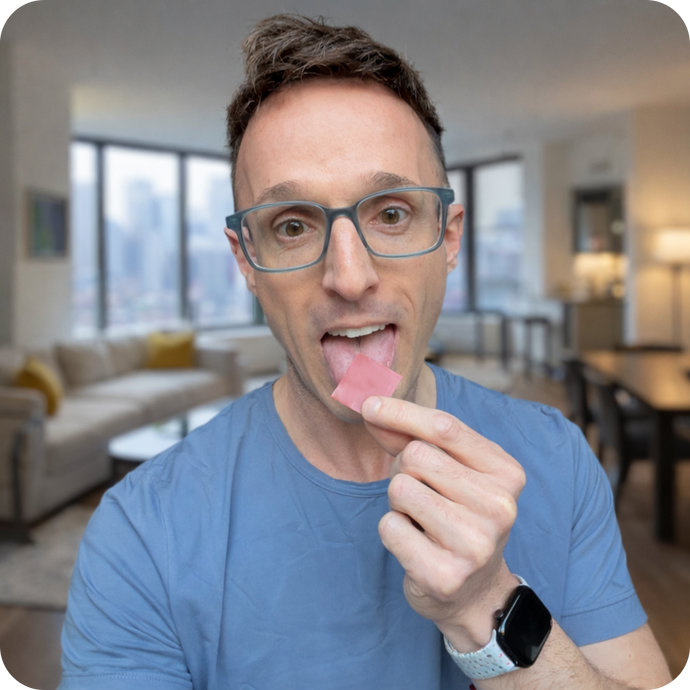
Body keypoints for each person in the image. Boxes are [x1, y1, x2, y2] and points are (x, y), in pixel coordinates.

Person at [59, 14, 673, 690]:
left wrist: (485, 606)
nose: (349, 278)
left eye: (391, 213)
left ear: (449, 238)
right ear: (246, 260)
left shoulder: (558, 458)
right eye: (292, 226)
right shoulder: (140, 534)